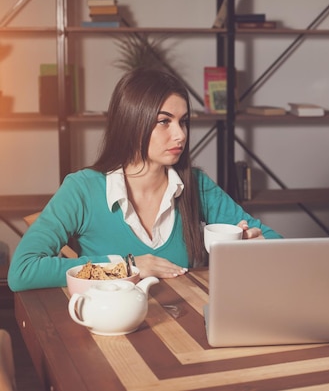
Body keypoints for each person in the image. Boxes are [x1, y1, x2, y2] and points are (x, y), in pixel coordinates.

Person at [9, 68, 281, 292]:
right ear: (132, 123)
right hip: (111, 337)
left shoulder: (196, 185)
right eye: (164, 121)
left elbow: (280, 245)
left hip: (183, 332)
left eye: (183, 121)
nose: (181, 135)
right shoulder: (82, 189)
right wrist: (127, 266)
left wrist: (257, 245)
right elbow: (23, 270)